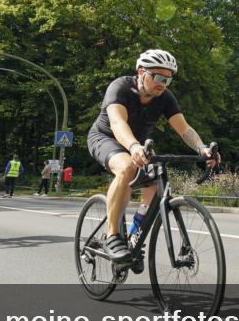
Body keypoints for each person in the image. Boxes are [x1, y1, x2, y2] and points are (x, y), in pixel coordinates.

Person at [86, 49, 219, 262]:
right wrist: (133, 146)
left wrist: (202, 148)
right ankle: (112, 235)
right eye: (158, 77)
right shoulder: (120, 87)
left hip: (138, 146)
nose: (163, 83)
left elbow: (184, 129)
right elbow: (117, 123)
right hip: (106, 138)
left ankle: (133, 239)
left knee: (156, 185)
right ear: (141, 72)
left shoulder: (165, 98)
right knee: (127, 167)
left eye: (168, 80)